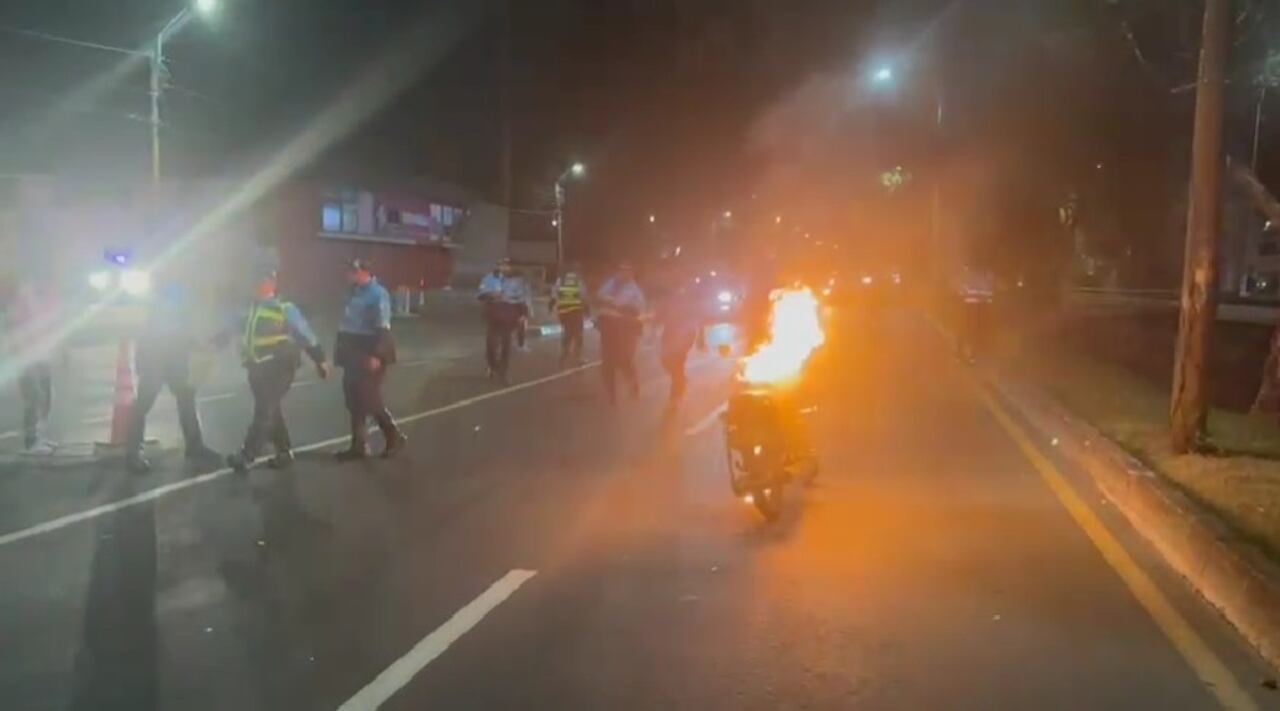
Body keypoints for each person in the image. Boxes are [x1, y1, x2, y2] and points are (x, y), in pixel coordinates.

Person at [226, 269, 331, 473]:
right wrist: (213, 343)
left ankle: (247, 455)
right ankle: (284, 452)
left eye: (263, 281)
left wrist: (320, 360)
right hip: (257, 368)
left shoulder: (285, 309)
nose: (257, 285)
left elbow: (305, 334)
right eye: (256, 280)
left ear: (272, 284)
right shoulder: (251, 309)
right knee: (272, 410)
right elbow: (234, 329)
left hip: (280, 367)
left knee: (264, 411)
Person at [126, 282, 222, 474]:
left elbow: (182, 334)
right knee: (143, 406)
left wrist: (199, 347)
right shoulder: (161, 308)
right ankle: (132, 454)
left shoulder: (177, 307)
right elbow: (147, 335)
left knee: (186, 401)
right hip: (156, 362)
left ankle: (194, 446)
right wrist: (141, 363)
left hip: (174, 362)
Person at [333, 258, 406, 460]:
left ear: (365, 273)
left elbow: (383, 327)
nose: (349, 275)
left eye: (354, 272)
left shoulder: (377, 294)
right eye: (349, 272)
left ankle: (394, 435)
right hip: (352, 351)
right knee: (353, 399)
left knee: (369, 398)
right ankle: (359, 445)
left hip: (369, 350)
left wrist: (377, 355)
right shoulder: (352, 292)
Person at [8, 275, 59, 455]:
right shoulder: (21, 300)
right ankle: (31, 442)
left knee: (47, 396)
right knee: (34, 397)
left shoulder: (43, 297)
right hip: (26, 357)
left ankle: (40, 437)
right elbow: (16, 327)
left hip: (42, 355)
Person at [596, 262, 646, 404]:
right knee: (608, 362)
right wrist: (610, 301)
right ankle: (611, 394)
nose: (624, 274)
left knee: (625, 360)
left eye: (628, 271)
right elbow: (600, 295)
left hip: (625, 328)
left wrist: (627, 307)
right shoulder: (611, 283)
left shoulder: (634, 289)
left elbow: (640, 306)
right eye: (622, 270)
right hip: (609, 326)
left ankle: (633, 384)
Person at [477, 258, 529, 383]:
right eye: (501, 265)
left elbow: (522, 299)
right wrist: (491, 295)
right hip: (493, 314)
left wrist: (523, 314)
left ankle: (503, 372)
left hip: (509, 316)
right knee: (491, 344)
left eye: (506, 265)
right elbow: (480, 295)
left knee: (506, 344)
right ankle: (493, 365)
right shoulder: (489, 279)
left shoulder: (517, 281)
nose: (503, 267)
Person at [655, 281, 706, 409]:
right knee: (665, 360)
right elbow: (659, 315)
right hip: (670, 332)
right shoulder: (667, 301)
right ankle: (680, 380)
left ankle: (676, 394)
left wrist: (701, 339)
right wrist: (654, 325)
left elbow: (700, 320)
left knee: (677, 362)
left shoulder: (690, 302)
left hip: (686, 334)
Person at [550, 263, 588, 367]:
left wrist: (551, 306)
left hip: (563, 312)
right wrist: (587, 310)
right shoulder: (578, 281)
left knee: (567, 333)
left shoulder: (560, 280)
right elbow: (583, 296)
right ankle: (578, 357)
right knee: (578, 335)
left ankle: (563, 356)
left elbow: (554, 294)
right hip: (576, 311)